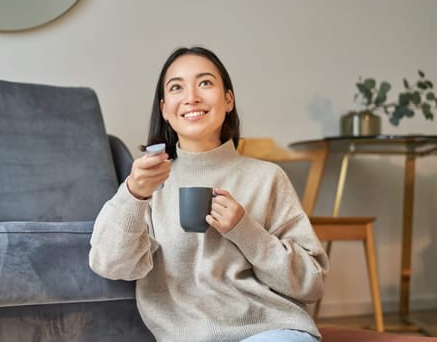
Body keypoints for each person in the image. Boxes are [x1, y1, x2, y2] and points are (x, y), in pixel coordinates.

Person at [89, 46, 328, 342]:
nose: (191, 97)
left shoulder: (267, 178)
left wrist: (246, 231)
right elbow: (110, 265)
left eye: (205, 83)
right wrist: (133, 194)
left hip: (273, 331)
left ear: (228, 100)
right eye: (177, 87)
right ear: (164, 109)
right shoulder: (149, 184)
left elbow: (312, 283)